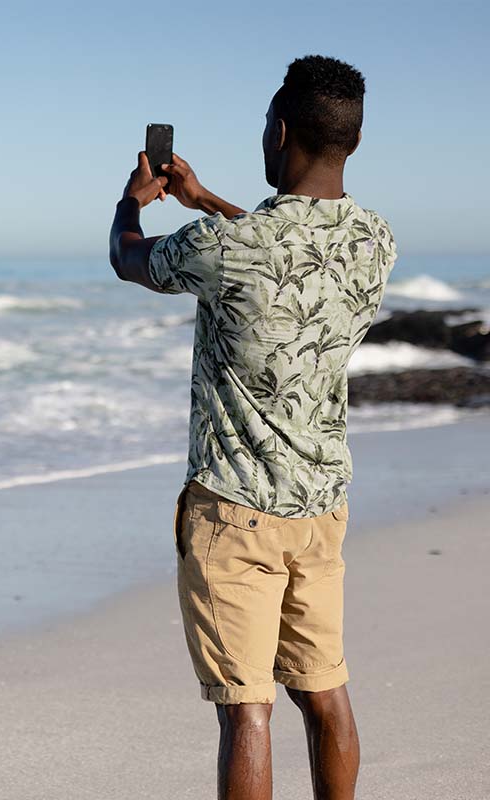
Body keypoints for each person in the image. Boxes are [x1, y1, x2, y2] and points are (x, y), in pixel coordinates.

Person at [107, 55, 397, 800]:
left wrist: (131, 201)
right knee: (325, 691)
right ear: (351, 142)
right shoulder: (374, 241)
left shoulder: (231, 250)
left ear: (280, 132)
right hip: (321, 511)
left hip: (235, 512)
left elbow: (127, 259)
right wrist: (205, 199)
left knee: (248, 712)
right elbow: (290, 254)